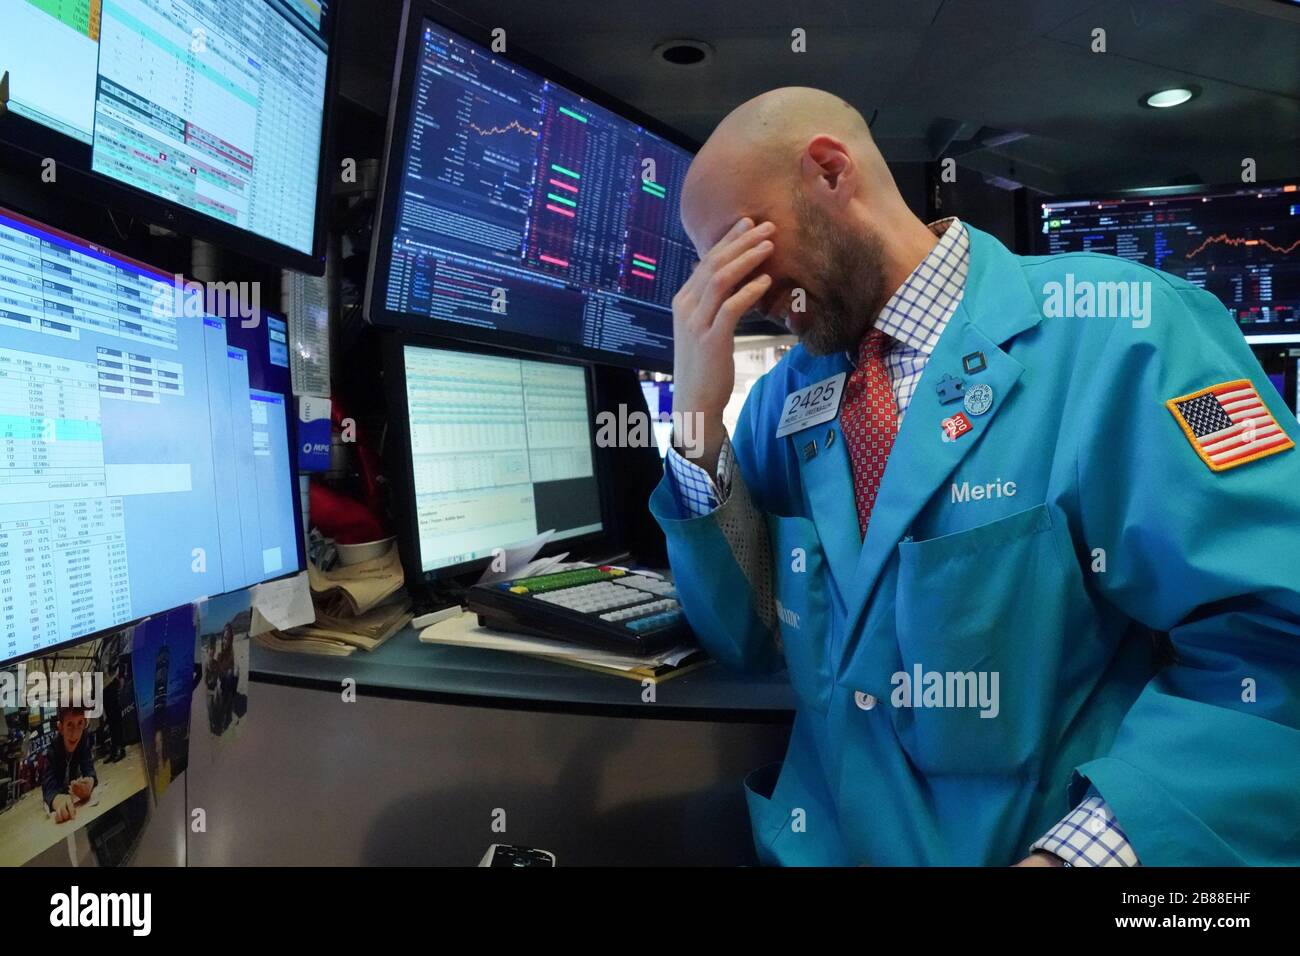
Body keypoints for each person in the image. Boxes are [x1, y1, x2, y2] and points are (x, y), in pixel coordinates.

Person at [653, 86, 1300, 866]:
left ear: (830, 172)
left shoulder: (1125, 334)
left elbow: (1269, 652)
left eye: (740, 246)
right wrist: (695, 419)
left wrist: (1082, 854)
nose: (735, 294)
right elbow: (745, 635)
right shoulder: (783, 404)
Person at [42, 707, 98, 824]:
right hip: (61, 790)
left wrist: (89, 784)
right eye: (69, 725)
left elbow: (89, 769)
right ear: (60, 728)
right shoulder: (53, 750)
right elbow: (48, 786)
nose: (75, 733)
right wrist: (58, 800)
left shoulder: (83, 739)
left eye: (80, 723)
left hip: (74, 788)